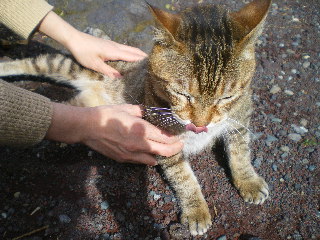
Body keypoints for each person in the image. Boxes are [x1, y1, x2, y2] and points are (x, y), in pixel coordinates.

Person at [0, 0, 183, 166]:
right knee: (55, 68)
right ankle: (10, 68)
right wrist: (79, 124)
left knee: (63, 76)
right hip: (108, 88)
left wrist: (73, 37)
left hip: (108, 88)